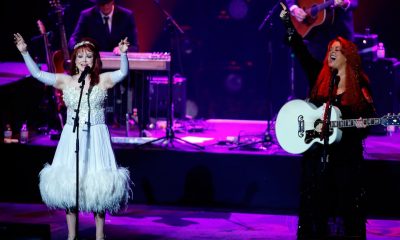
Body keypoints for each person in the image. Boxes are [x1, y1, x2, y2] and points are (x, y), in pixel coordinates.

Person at [14, 32, 132, 240]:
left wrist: (123, 54)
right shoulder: (65, 81)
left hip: (96, 136)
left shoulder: (103, 80)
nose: (84, 60)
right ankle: (71, 236)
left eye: (88, 56)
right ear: (74, 59)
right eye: (80, 56)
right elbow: (38, 75)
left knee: (99, 186)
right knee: (71, 185)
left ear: (95, 60)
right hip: (72, 136)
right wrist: (25, 53)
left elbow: (123, 72)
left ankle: (99, 235)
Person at [280, 6, 376, 240]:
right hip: (317, 156)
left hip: (345, 159)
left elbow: (369, 122)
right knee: (316, 204)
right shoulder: (318, 75)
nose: (332, 54)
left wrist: (363, 127)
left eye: (337, 51)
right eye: (330, 50)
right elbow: (300, 50)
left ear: (347, 57)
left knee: (346, 202)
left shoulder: (360, 87)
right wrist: (288, 24)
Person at [285, 0, 358, 62]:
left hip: (340, 35)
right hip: (313, 37)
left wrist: (345, 3)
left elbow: (354, 2)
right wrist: (294, 9)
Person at [68, 0, 139, 54]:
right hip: (94, 65)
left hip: (120, 66)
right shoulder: (86, 16)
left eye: (108, 3)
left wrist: (125, 48)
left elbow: (134, 46)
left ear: (113, 1)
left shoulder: (126, 16)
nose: (105, 6)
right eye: (102, 4)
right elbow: (73, 40)